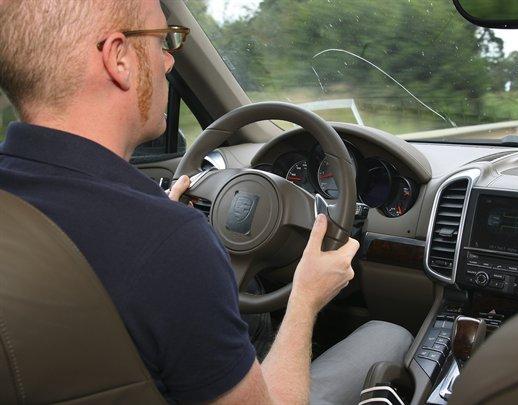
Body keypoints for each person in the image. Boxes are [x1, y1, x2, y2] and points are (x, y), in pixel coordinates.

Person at [0, 1, 413, 403]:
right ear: (118, 58)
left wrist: (166, 224)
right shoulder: (169, 243)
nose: (168, 61)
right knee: (389, 335)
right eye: (162, 41)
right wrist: (306, 297)